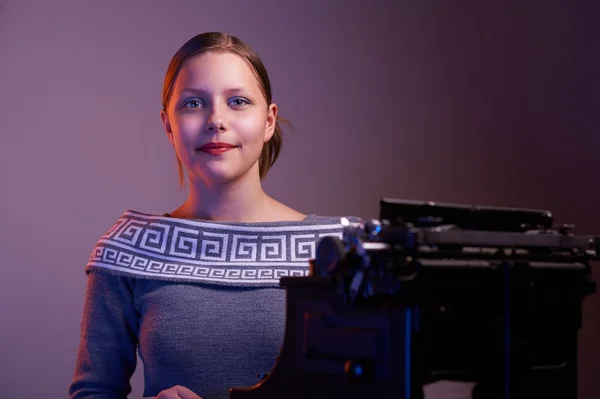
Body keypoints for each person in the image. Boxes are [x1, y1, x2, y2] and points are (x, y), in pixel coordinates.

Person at [68, 32, 362, 399]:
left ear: (269, 120)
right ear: (168, 126)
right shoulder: (125, 250)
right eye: (193, 104)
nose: (216, 120)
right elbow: (93, 392)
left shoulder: (343, 252)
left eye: (238, 101)